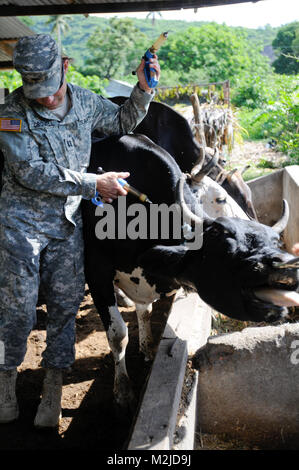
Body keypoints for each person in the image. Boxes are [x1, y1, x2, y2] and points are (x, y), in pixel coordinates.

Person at [0, 34, 160, 427]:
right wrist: (93, 185)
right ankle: (5, 384)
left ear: (65, 68)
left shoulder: (85, 100)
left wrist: (142, 89)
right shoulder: (10, 113)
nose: (46, 98)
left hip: (67, 223)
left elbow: (122, 120)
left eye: (51, 88)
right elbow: (28, 171)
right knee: (16, 311)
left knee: (65, 308)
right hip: (21, 223)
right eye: (35, 90)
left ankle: (52, 390)